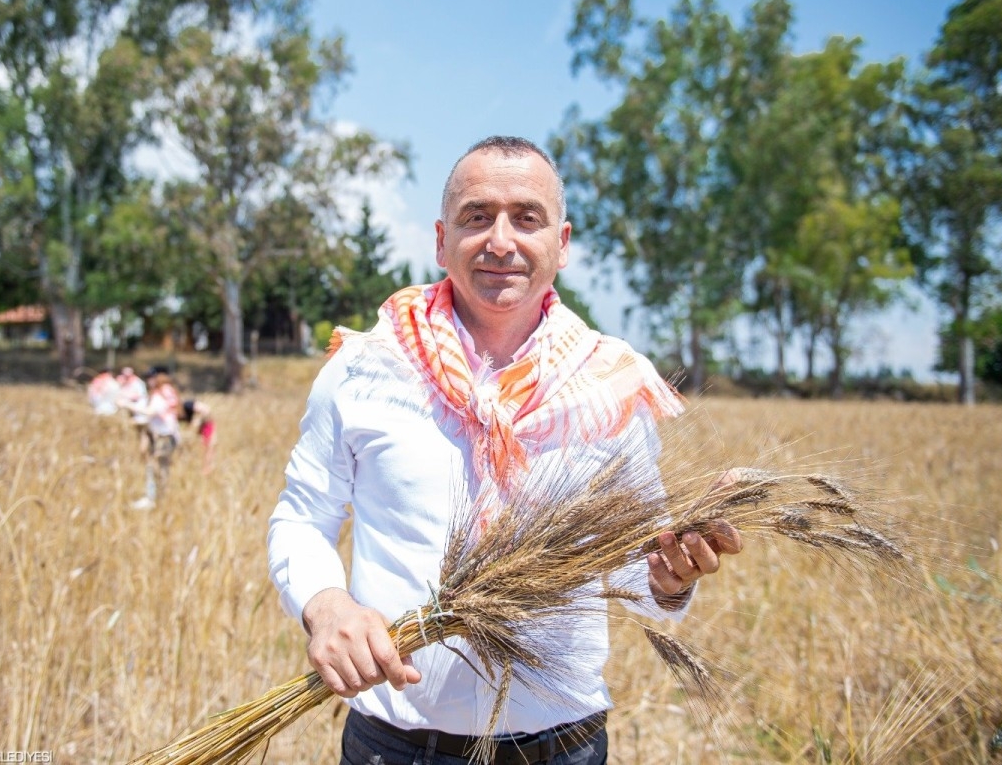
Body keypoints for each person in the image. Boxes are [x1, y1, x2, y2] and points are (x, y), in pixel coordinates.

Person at [267, 135, 743, 764]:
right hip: (394, 747)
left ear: (562, 243)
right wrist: (326, 608)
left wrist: (670, 575)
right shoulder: (367, 367)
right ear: (441, 240)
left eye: (526, 218)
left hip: (561, 748)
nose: (500, 240)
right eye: (476, 216)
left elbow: (635, 564)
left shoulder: (609, 386)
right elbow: (302, 517)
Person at [125, 366, 181, 511]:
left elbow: (151, 412)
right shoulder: (167, 392)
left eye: (151, 378)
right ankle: (160, 498)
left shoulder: (159, 394)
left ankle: (154, 499)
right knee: (161, 468)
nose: (148, 381)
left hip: (164, 437)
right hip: (166, 435)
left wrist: (128, 405)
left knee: (155, 467)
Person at [178, 397, 216, 475]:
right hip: (200, 428)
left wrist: (198, 421)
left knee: (207, 447)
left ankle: (207, 469)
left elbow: (206, 410)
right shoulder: (178, 413)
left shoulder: (187, 405)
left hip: (206, 425)